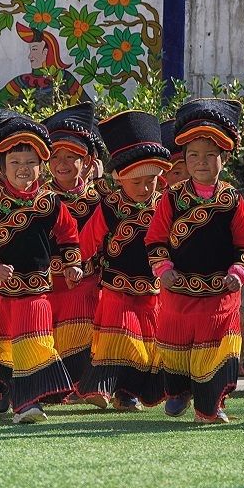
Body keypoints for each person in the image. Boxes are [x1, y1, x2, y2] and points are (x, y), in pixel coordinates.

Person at [0, 108, 82, 423]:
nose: (24, 169)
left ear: (41, 167)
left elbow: (68, 234)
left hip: (36, 292)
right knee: (1, 348)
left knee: (36, 344)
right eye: (15, 163)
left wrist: (72, 264)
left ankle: (29, 403)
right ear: (2, 168)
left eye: (31, 162)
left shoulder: (51, 203)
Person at [144, 98, 244, 424]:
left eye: (210, 155)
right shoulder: (172, 197)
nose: (201, 162)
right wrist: (163, 270)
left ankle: (210, 407)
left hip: (220, 293)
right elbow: (155, 239)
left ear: (224, 158)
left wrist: (239, 271)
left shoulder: (232, 199)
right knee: (177, 347)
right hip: (179, 292)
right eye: (193, 155)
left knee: (217, 350)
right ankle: (178, 390)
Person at [76, 110, 171, 410]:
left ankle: (127, 392)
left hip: (152, 291)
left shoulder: (165, 205)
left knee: (144, 344)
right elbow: (88, 240)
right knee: (120, 339)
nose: (145, 188)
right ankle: (100, 388)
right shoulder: (110, 206)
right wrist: (76, 262)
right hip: (116, 287)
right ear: (120, 179)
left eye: (151, 181)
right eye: (136, 182)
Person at [42, 102, 103, 397]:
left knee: (85, 315)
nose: (62, 163)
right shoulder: (39, 199)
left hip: (87, 281)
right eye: (55, 156)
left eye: (71, 157)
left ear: (88, 161)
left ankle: (87, 386)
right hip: (48, 283)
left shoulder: (101, 197)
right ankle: (55, 386)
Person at [161, 118, 189, 186]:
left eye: (190, 172)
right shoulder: (161, 196)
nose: (185, 179)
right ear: (164, 175)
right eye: (177, 173)